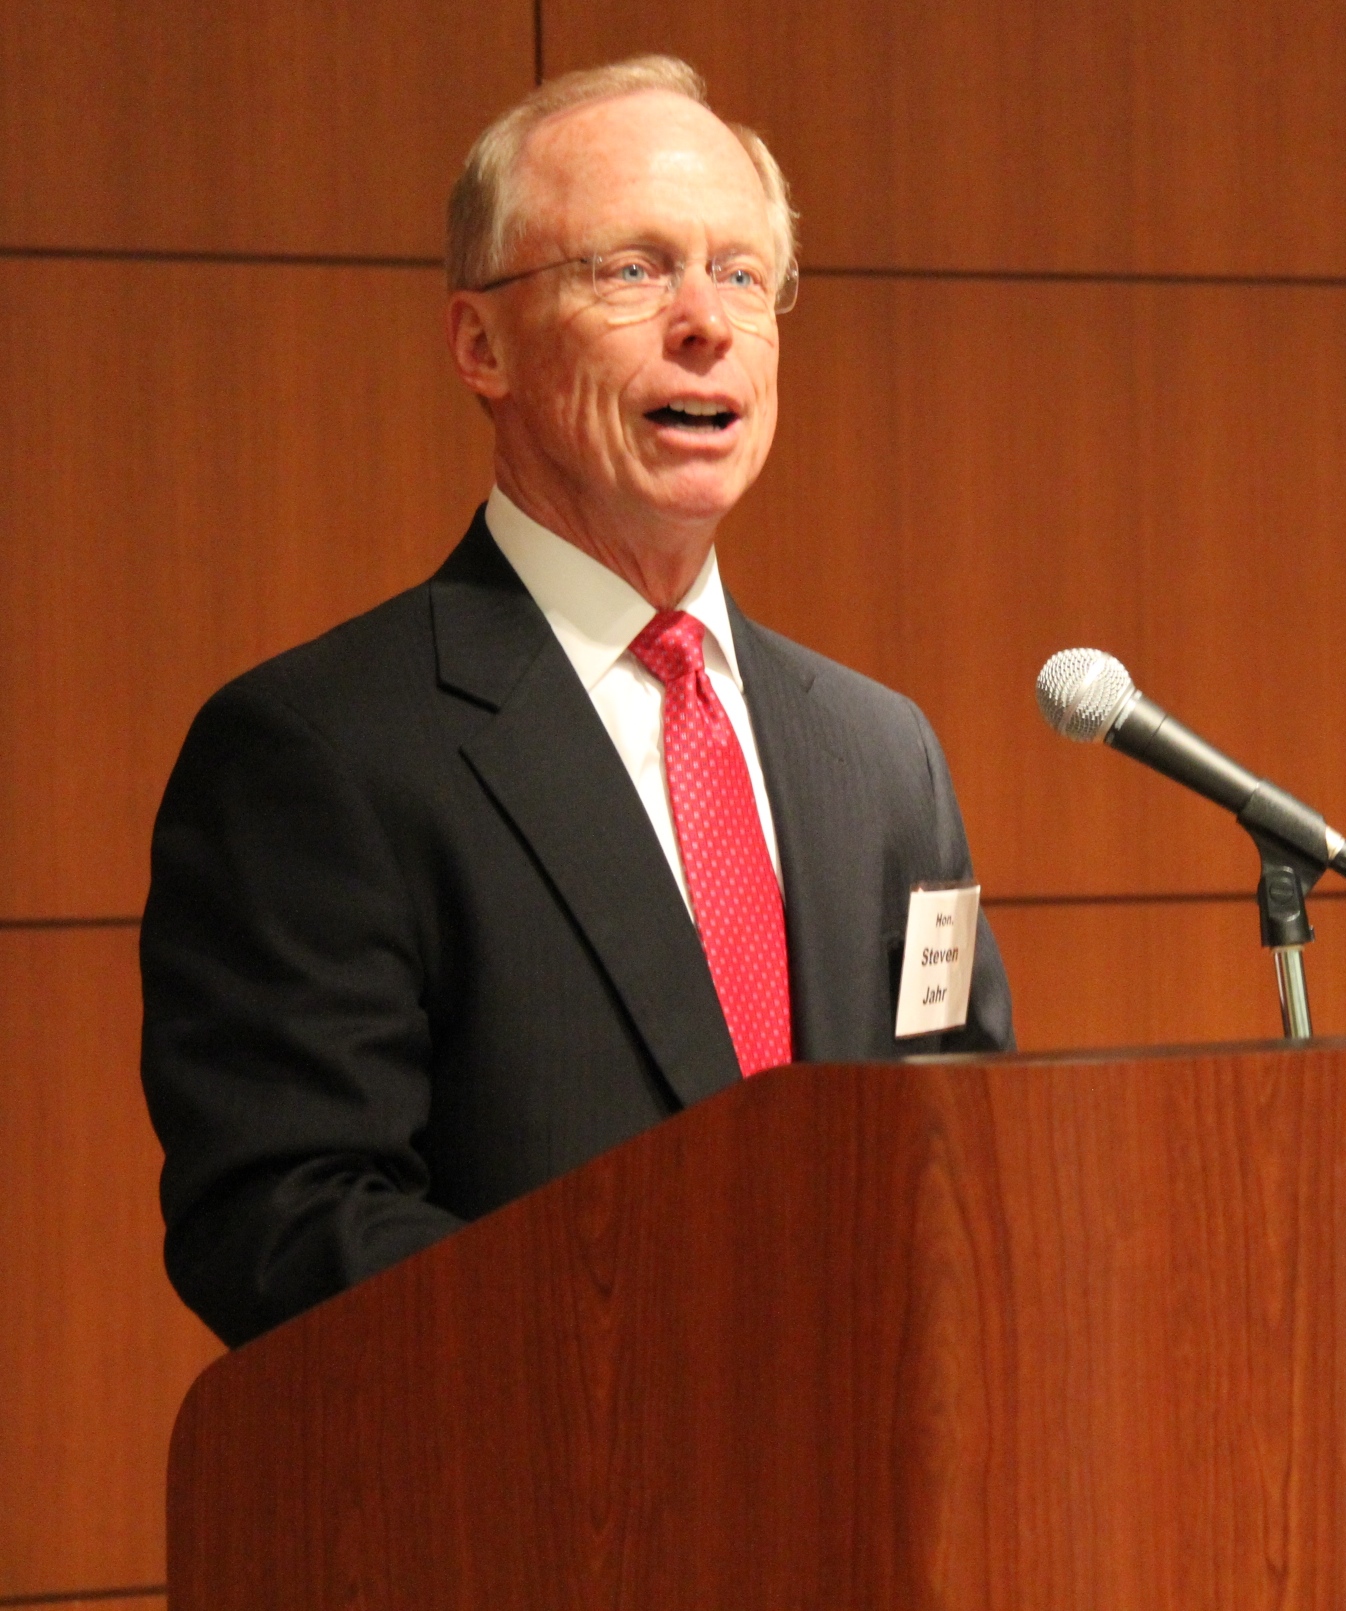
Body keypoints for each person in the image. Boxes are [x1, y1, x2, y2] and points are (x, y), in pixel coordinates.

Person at [140, 57, 1014, 1349]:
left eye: (741, 274)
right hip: (545, 1516)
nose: (706, 321)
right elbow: (283, 1214)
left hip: (874, 1514)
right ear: (479, 343)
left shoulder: (879, 754)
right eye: (634, 270)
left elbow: (964, 1148)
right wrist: (649, 1343)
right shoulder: (319, 750)